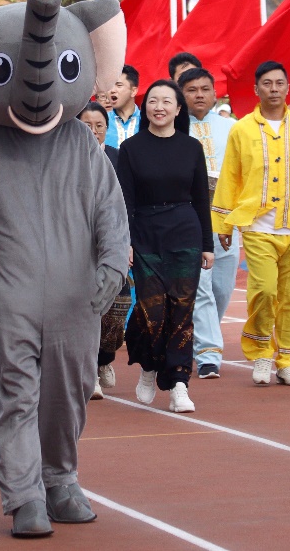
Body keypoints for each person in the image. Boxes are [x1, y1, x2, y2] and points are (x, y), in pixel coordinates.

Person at [0, 0, 129, 536]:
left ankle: (60, 477)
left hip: (76, 297)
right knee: (15, 393)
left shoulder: (83, 143)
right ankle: (23, 494)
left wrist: (112, 265)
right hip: (9, 294)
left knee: (69, 393)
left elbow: (110, 212)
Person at [212, 60, 290, 387]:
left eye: (279, 83)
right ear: (256, 89)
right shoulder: (241, 129)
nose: (274, 89)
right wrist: (223, 223)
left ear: (288, 88)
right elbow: (230, 176)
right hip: (258, 226)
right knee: (264, 290)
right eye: (267, 84)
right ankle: (260, 352)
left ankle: (288, 359)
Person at [116, 80, 213, 413]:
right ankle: (148, 366)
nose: (159, 107)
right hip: (145, 235)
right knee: (152, 311)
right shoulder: (131, 148)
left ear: (178, 108)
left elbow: (201, 199)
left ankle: (179, 384)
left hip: (185, 233)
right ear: (145, 108)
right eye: (153, 101)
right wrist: (125, 241)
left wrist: (207, 245)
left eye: (166, 101)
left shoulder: (191, 147)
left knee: (182, 311)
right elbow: (124, 201)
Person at [178, 68, 239, 378]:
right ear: (181, 95)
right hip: (190, 220)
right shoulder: (174, 129)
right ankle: (208, 354)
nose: (199, 95)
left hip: (228, 220)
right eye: (192, 90)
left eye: (205, 89)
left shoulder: (233, 128)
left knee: (221, 288)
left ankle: (199, 336)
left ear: (216, 94)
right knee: (199, 288)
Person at [78, 103, 128, 399]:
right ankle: (89, 372)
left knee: (114, 308)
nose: (94, 131)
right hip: (78, 244)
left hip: (110, 242)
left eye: (99, 126)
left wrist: (125, 243)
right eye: (87, 125)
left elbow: (126, 204)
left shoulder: (117, 157)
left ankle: (104, 359)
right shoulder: (68, 157)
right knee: (85, 309)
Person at [106, 65, 141, 149]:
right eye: (110, 86)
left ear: (133, 91)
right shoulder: (103, 122)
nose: (112, 90)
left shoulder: (147, 121)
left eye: (119, 85)